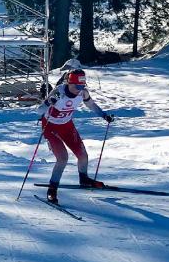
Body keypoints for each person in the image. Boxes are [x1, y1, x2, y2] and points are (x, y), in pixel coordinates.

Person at [37, 69, 114, 204]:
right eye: (77, 86)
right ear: (69, 82)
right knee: (62, 158)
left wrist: (104, 115)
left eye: (82, 86)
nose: (79, 89)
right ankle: (52, 189)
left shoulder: (83, 93)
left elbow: (91, 105)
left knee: (83, 155)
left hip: (66, 125)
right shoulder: (59, 92)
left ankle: (83, 179)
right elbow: (39, 110)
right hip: (50, 127)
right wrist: (49, 102)